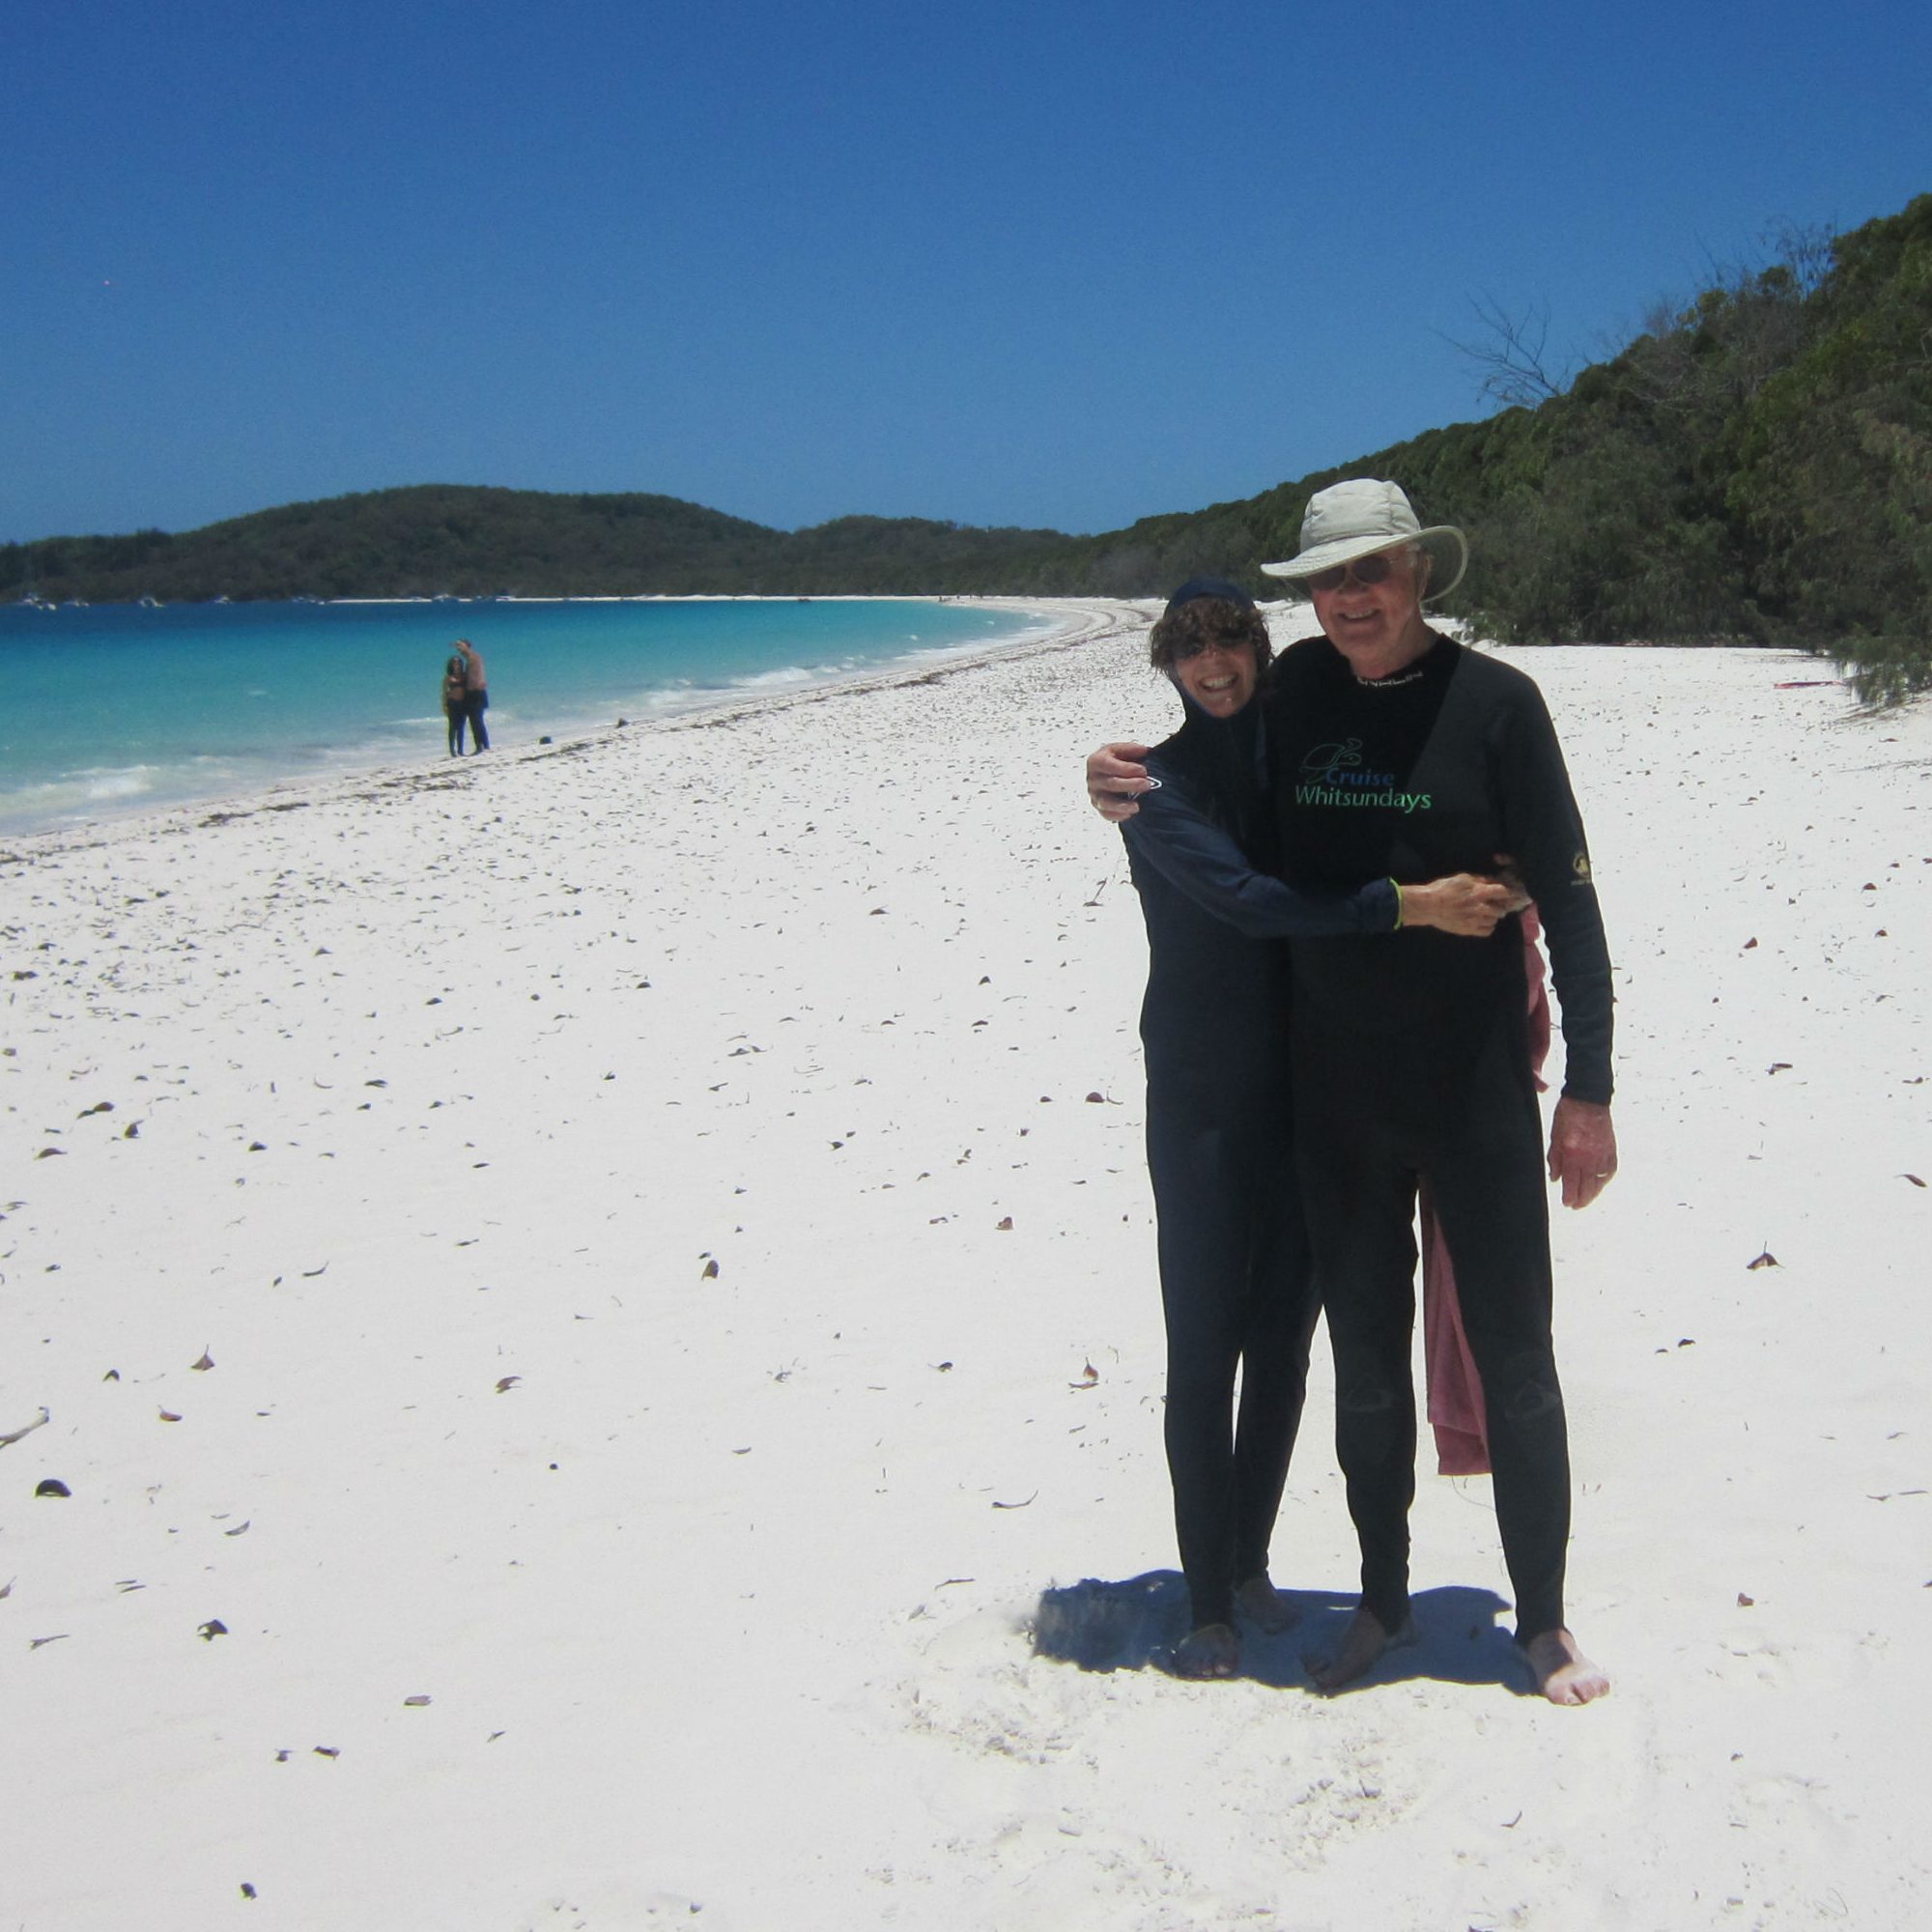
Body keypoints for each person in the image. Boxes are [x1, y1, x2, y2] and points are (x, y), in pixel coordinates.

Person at [1090, 482, 1616, 1706]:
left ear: (1418, 573)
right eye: (1328, 581)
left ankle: (1539, 1623)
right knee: (1365, 1370)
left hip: (1475, 1084)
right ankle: (1381, 1601)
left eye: (1370, 572)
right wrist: (1111, 778)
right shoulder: (1298, 697)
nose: (1350, 596)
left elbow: (1572, 898)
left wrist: (1585, 1086)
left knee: (1518, 1357)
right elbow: (1202, 758)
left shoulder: (1497, 703)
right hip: (1334, 1100)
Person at [1120, 576, 1514, 1679]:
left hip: (1303, 1082)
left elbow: (1394, 758)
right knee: (1203, 1347)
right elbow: (1249, 900)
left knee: (1284, 1341)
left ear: (1256, 647)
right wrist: (1409, 904)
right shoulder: (1152, 786)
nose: (1213, 665)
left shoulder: (1290, 743)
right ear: (1166, 664)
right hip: (1201, 1099)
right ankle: (1204, 1603)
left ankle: (1246, 1562)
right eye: (1190, 650)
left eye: (1229, 642)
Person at [454, 639, 490, 753]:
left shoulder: (474, 657)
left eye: (460, 645)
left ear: (467, 646)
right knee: (475, 720)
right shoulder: (470, 659)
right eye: (457, 646)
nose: (458, 648)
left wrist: (474, 686)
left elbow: (477, 675)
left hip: (476, 691)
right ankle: (483, 745)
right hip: (474, 691)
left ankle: (482, 745)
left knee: (476, 720)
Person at [441, 652, 469, 756]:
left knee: (461, 727)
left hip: (463, 703)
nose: (456, 665)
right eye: (454, 663)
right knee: (453, 727)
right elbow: (444, 692)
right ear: (451, 665)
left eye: (458, 663)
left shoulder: (464, 676)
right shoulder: (448, 678)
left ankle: (460, 750)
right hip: (452, 703)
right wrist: (444, 705)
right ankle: (452, 750)